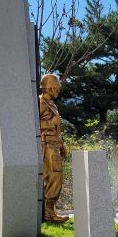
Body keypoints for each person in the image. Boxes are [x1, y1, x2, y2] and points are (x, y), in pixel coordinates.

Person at [39, 73, 69, 223]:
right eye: (57, 87)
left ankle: (50, 211)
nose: (58, 90)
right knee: (54, 177)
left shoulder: (51, 104)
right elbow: (35, 125)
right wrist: (52, 121)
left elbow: (56, 128)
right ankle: (48, 213)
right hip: (47, 146)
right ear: (50, 87)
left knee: (55, 177)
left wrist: (61, 144)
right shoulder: (40, 103)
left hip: (54, 145)